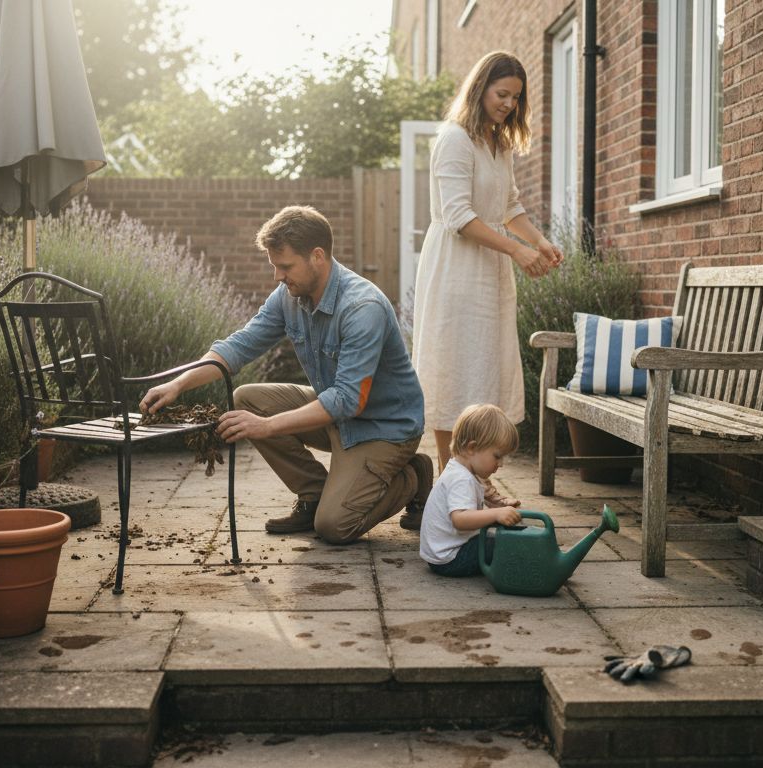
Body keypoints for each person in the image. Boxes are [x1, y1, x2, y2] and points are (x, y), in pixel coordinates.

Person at [139, 206, 435, 544]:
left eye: (285, 266)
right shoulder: (290, 295)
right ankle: (314, 494)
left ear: (318, 257)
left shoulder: (362, 308)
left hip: (384, 427)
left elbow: (348, 399)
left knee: (334, 527)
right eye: (275, 267)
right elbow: (240, 345)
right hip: (337, 416)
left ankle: (412, 474)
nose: (278, 277)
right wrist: (178, 384)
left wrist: (265, 427)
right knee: (248, 400)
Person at [412, 51, 563, 474]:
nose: (508, 105)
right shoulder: (454, 139)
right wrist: (516, 250)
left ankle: (471, 475)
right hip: (456, 269)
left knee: (483, 369)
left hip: (491, 272)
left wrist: (539, 241)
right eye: (502, 94)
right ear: (480, 89)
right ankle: (450, 478)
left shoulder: (498, 144)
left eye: (515, 98)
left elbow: (509, 206)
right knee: (454, 369)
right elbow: (459, 216)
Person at [419, 404, 524, 577]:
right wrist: (496, 515)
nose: (501, 463)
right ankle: (532, 569)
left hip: (442, 553)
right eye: (497, 456)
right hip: (452, 558)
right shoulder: (462, 479)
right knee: (510, 545)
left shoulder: (458, 470)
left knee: (502, 538)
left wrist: (496, 508)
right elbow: (460, 519)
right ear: (472, 448)